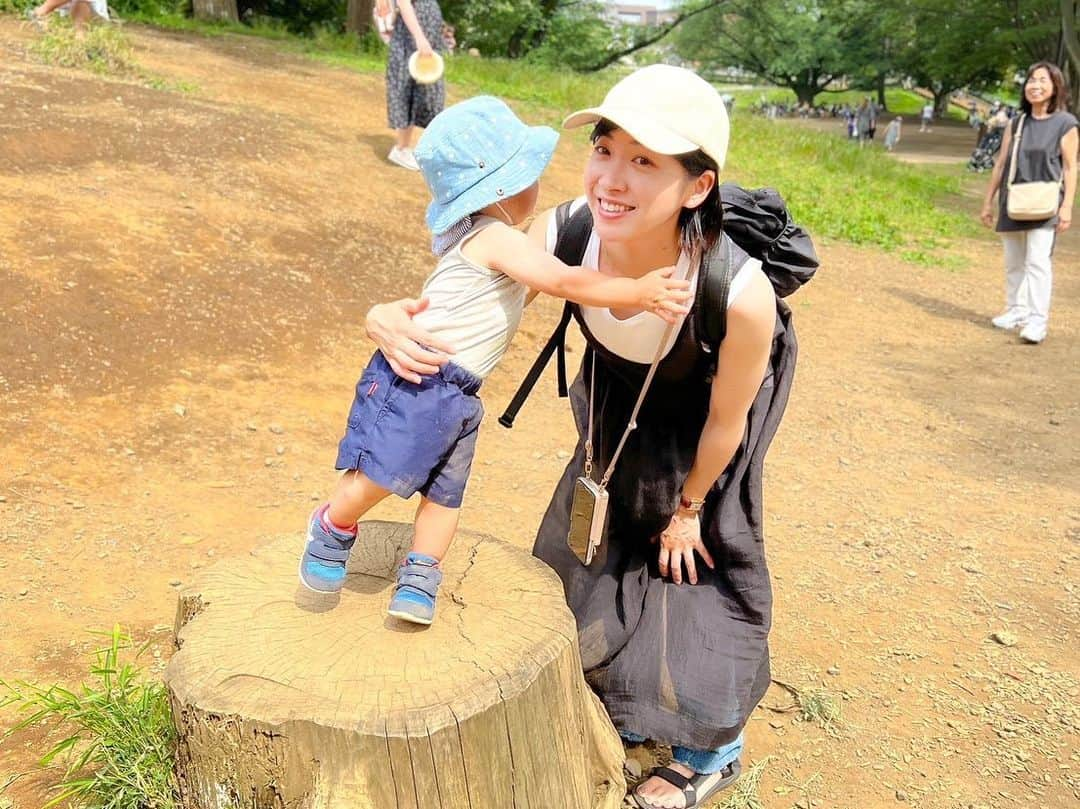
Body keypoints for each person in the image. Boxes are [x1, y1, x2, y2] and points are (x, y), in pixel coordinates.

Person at [365, 65, 807, 809]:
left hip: (700, 422)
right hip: (610, 407)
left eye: (644, 162)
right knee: (590, 548)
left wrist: (693, 503)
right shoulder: (570, 229)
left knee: (689, 566)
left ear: (697, 187)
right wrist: (385, 315)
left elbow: (730, 420)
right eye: (605, 149)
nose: (612, 178)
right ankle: (618, 689)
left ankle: (710, 747)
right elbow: (468, 276)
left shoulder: (738, 294)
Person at [299, 96, 692, 626]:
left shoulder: (495, 235)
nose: (540, 188)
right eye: (530, 176)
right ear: (503, 191)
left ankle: (421, 572)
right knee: (382, 473)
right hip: (421, 382)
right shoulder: (495, 237)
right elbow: (562, 280)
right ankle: (332, 525)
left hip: (459, 394)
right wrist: (637, 290)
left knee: (446, 492)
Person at [979, 61, 1077, 344]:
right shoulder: (1017, 122)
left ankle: (1037, 321)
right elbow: (1000, 164)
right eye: (1031, 80)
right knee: (1013, 261)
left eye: (1042, 80)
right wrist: (988, 202)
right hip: (1013, 199)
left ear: (1055, 86)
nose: (1035, 85)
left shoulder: (1066, 124)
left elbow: (1070, 168)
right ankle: (1015, 310)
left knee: (1037, 262)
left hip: (1045, 202)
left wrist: (1067, 206)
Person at [383, 0, 447, 171]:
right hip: (412, 38)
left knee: (430, 92)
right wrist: (419, 37)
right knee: (407, 89)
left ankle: (423, 149)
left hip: (427, 34)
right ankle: (401, 149)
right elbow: (404, 4)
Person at [25, 0, 108, 37]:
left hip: (95, 23)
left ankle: (40, 13)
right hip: (68, 23)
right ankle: (40, 13)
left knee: (82, 3)